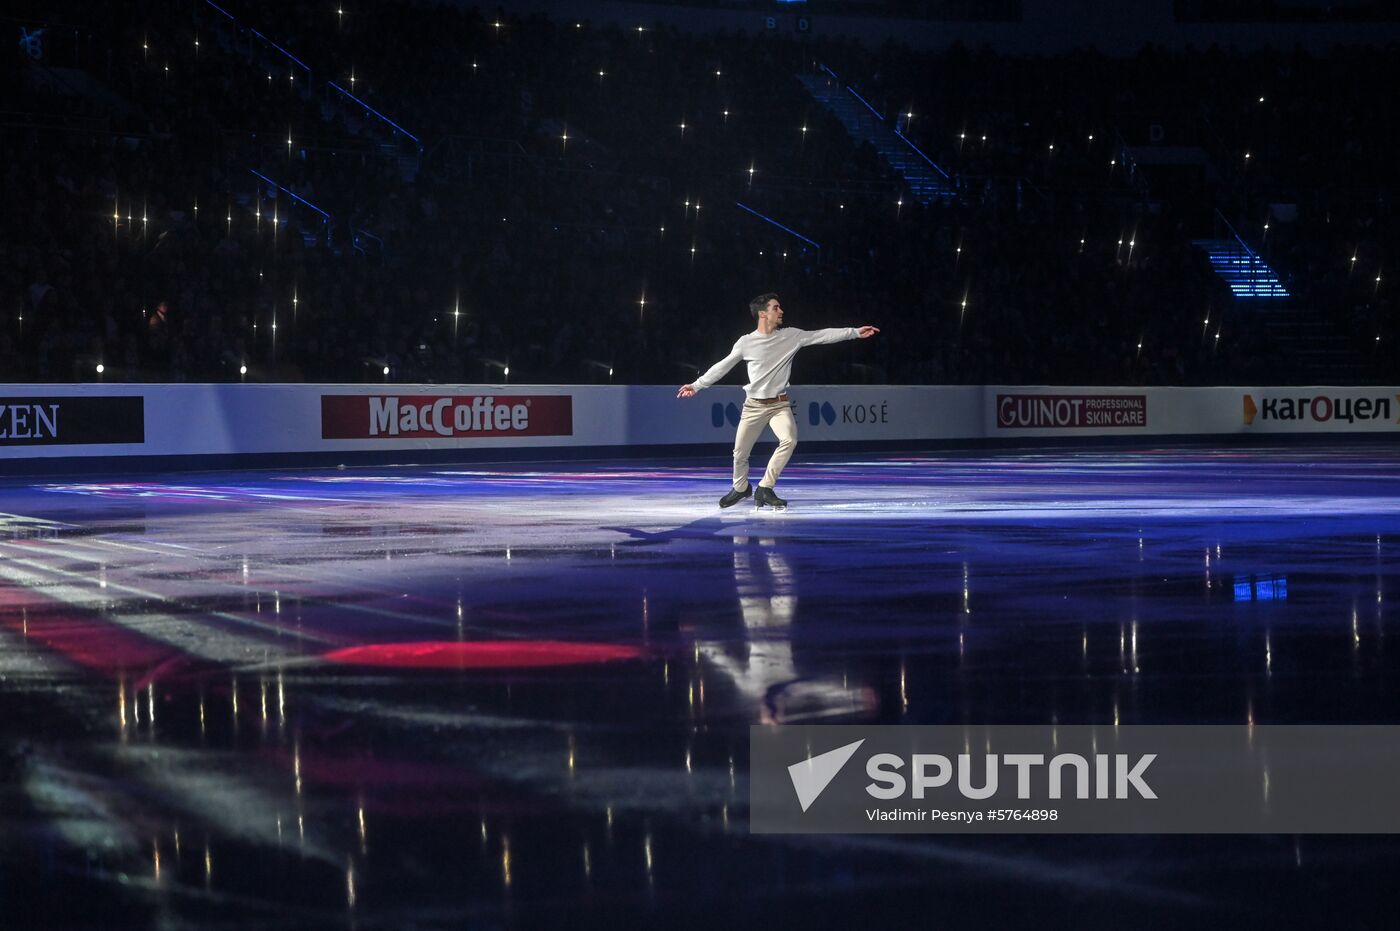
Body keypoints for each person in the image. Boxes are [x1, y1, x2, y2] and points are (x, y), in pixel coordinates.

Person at [677, 293, 880, 509]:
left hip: (779, 405)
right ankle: (741, 488)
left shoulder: (791, 336)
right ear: (763, 313)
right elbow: (723, 366)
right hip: (753, 406)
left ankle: (765, 487)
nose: (781, 311)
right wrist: (697, 385)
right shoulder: (746, 342)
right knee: (740, 454)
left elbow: (821, 335)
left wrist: (855, 333)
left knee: (789, 440)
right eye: (776, 308)